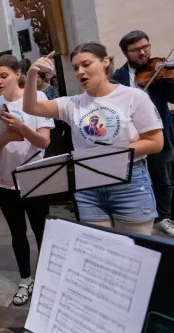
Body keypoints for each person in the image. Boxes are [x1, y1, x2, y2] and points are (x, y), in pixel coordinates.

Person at [24, 43, 164, 236]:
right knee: (96, 248)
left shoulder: (134, 97)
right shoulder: (73, 103)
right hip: (89, 186)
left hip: (129, 182)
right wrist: (32, 74)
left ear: (105, 61)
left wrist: (111, 152)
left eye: (86, 64)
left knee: (132, 249)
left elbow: (156, 142)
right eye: (76, 68)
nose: (80, 71)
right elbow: (30, 107)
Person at [111, 30, 174, 238]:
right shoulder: (118, 78)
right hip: (131, 137)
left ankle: (164, 218)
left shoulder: (161, 70)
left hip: (156, 134)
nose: (143, 53)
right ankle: (136, 219)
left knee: (162, 180)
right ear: (126, 53)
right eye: (136, 50)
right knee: (133, 180)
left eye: (145, 47)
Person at [0, 55, 53, 306]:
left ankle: (47, 279)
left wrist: (21, 128)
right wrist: (6, 137)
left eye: (4, 76)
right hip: (5, 181)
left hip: (35, 177)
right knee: (17, 233)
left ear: (18, 74)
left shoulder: (37, 98)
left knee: (42, 231)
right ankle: (25, 279)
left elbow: (44, 142)